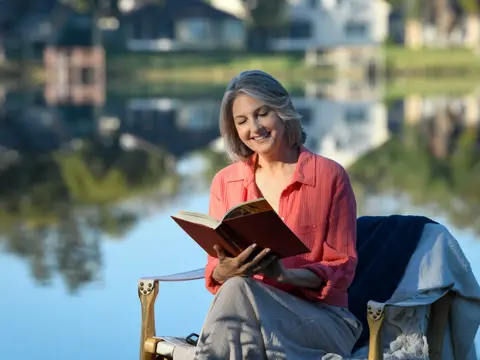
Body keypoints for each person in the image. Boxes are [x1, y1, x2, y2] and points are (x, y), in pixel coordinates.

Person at [176, 70, 362, 360]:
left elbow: (341, 269)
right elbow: (216, 271)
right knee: (237, 289)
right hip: (246, 315)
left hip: (324, 320)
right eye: (242, 121)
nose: (255, 128)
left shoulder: (329, 176)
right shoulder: (226, 182)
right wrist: (226, 269)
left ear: (283, 110)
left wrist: (285, 274)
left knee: (238, 298)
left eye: (262, 113)